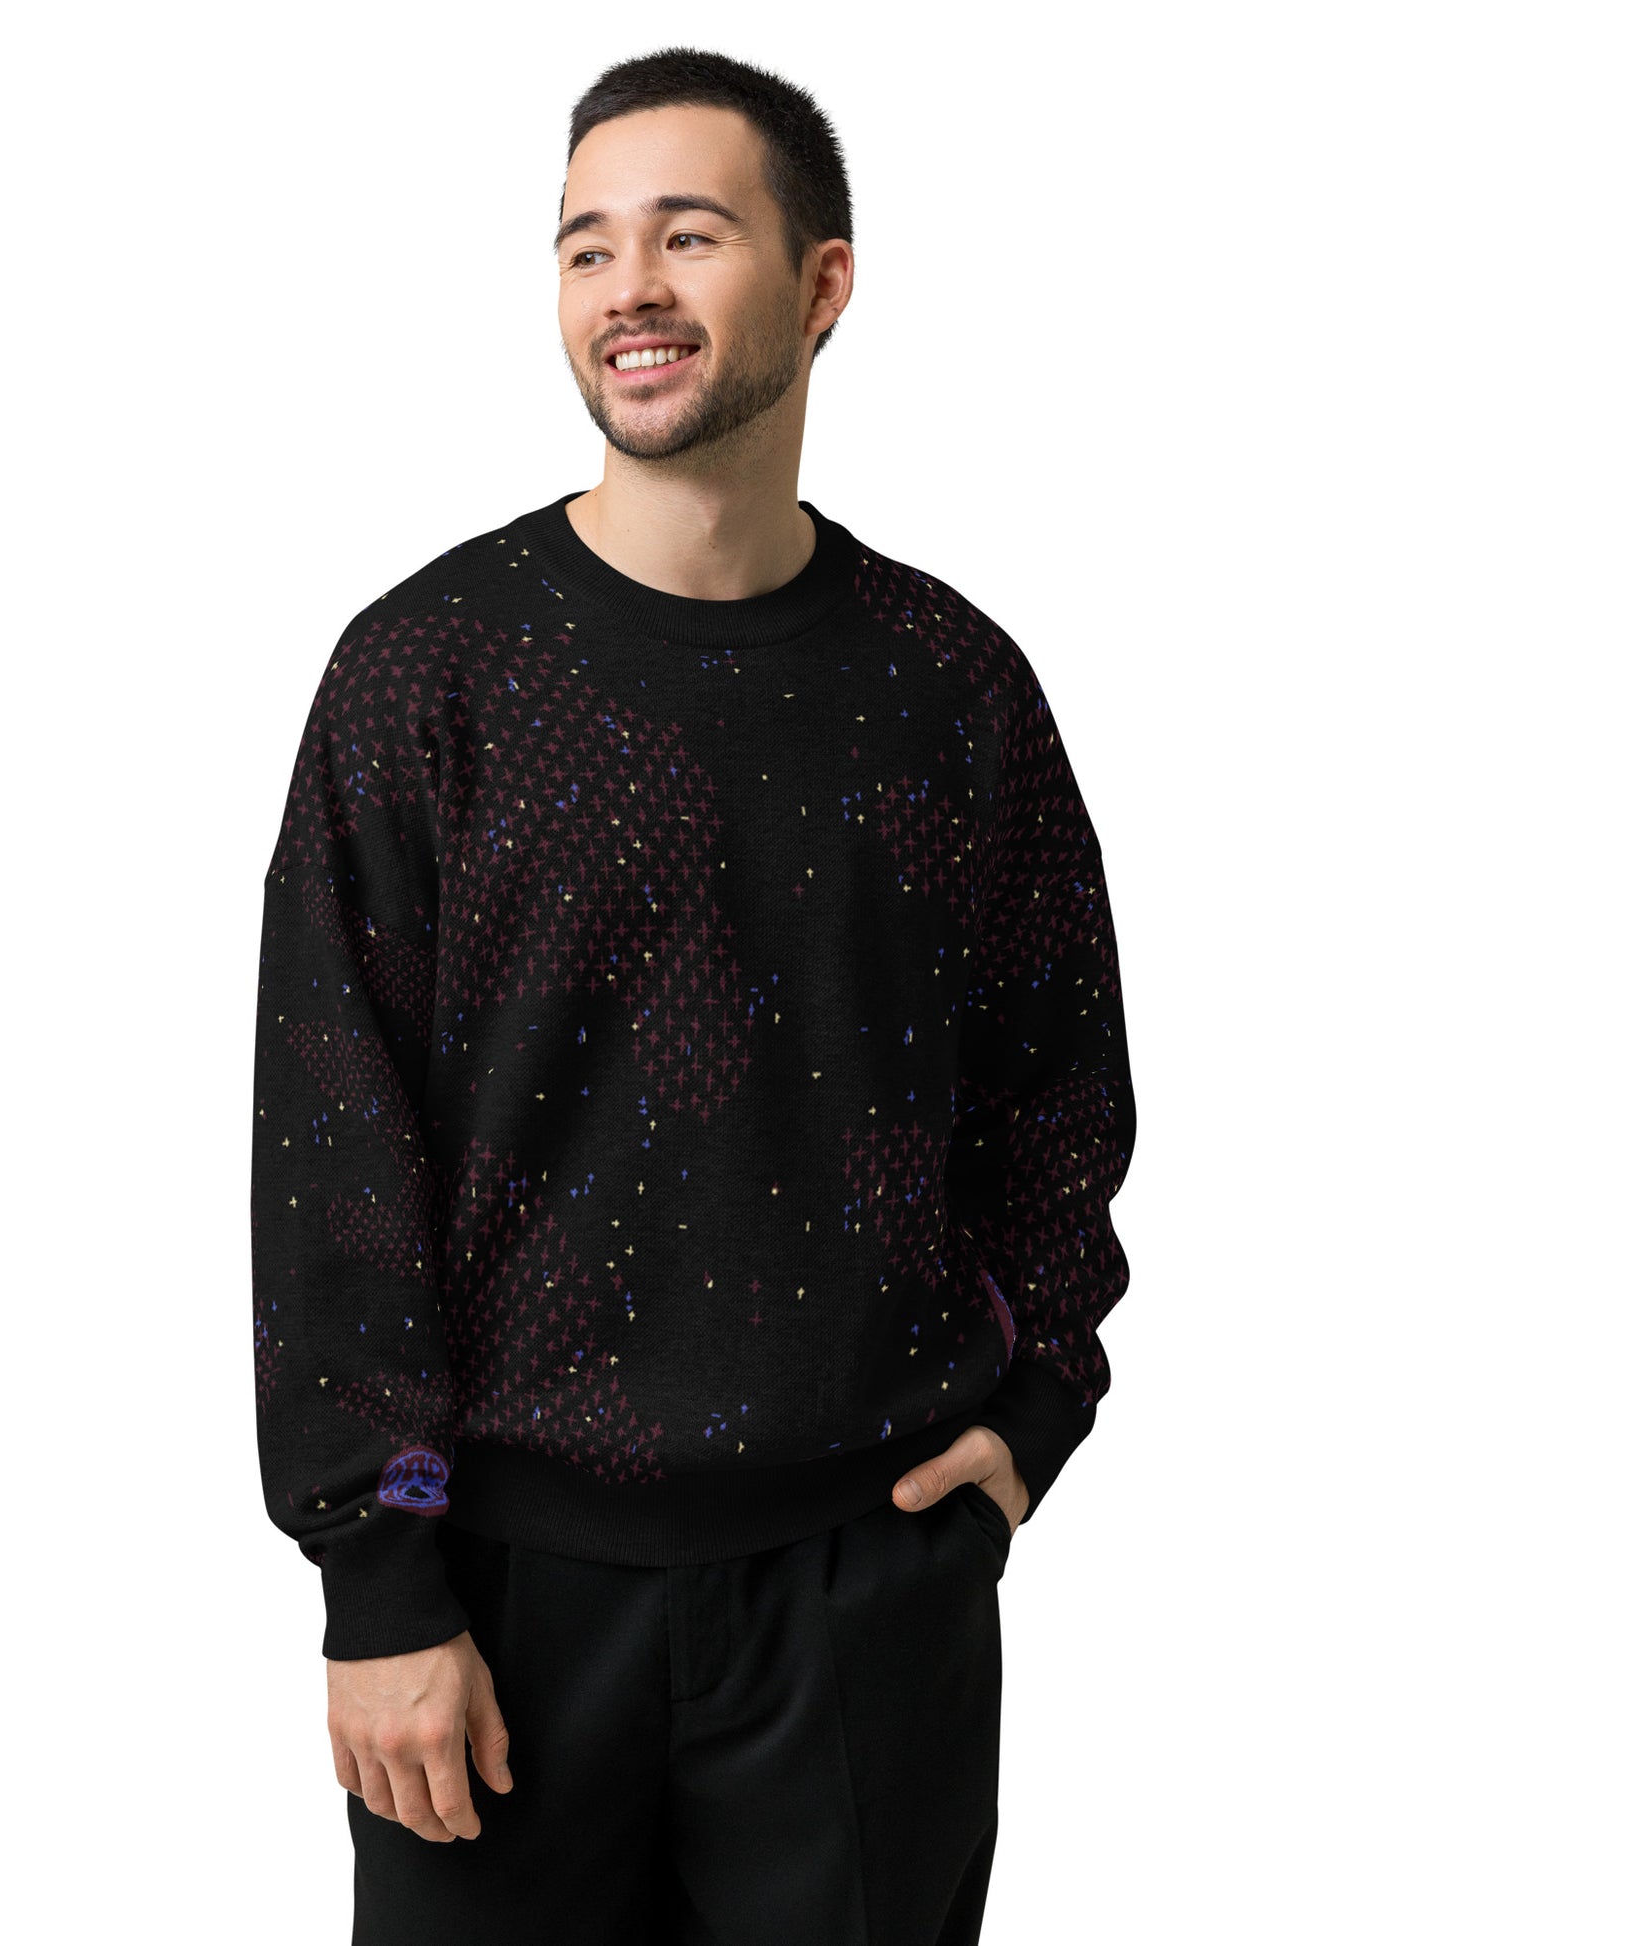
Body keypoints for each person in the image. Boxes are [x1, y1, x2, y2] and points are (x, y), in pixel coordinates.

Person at [248, 45, 1136, 1946]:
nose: (626, 287)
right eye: (585, 246)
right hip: (494, 1607)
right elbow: (336, 1155)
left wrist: (1035, 1405)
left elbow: (1060, 1093)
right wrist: (377, 1583)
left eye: (688, 234)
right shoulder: (425, 674)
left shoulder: (949, 688)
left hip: (863, 1597)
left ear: (822, 283)